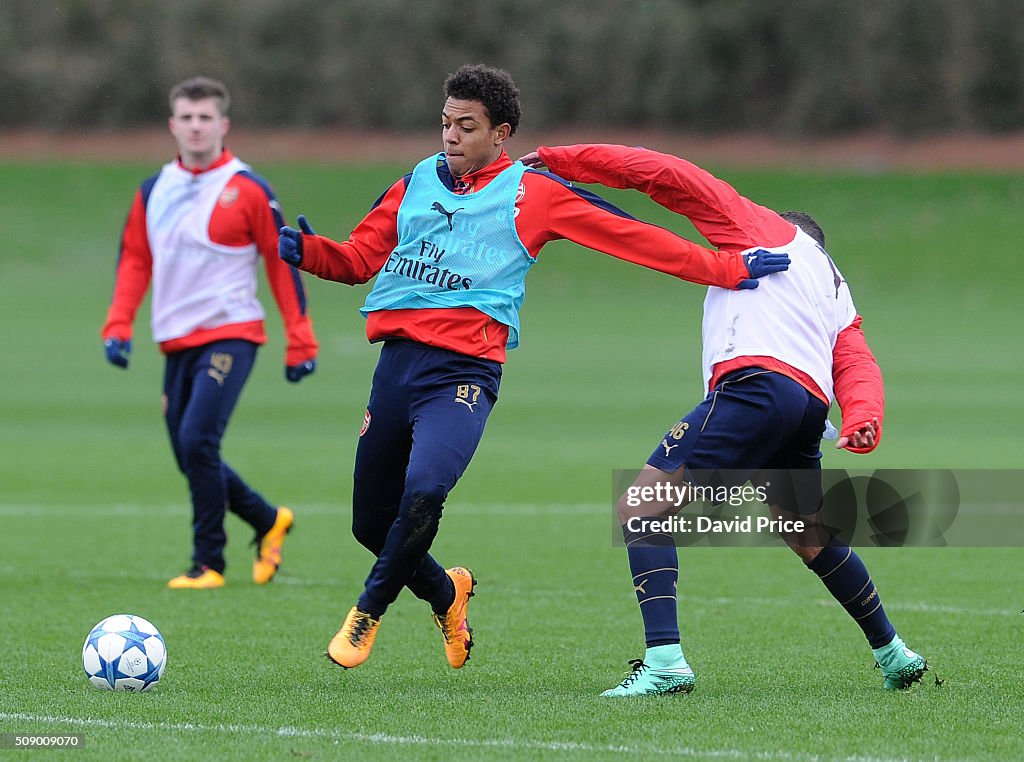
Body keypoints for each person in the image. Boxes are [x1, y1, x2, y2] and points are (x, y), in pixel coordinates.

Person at [278, 64, 788, 670]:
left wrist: (728, 268)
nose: (450, 137)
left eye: (466, 127)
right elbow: (360, 258)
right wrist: (309, 253)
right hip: (395, 371)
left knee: (425, 491)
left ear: (501, 134)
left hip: (462, 376)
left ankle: (366, 614)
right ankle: (448, 595)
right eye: (444, 124)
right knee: (370, 525)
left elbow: (636, 238)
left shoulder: (534, 194)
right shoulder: (415, 182)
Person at [521, 143, 928, 696]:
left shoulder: (758, 227)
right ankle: (893, 652)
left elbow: (667, 175)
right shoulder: (834, 286)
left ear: (784, 228)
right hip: (807, 411)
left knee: (643, 507)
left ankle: (665, 664)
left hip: (755, 390)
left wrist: (563, 160)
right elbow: (854, 357)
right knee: (809, 535)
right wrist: (863, 416)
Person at [101, 76, 319, 589]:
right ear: (173, 125)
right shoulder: (154, 190)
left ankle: (208, 563)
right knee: (189, 453)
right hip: (176, 340)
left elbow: (280, 263)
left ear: (223, 125)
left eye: (206, 118)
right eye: (187, 117)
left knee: (198, 438)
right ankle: (268, 520)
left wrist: (300, 338)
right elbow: (135, 259)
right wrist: (118, 324)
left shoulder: (247, 189)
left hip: (231, 334)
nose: (196, 127)